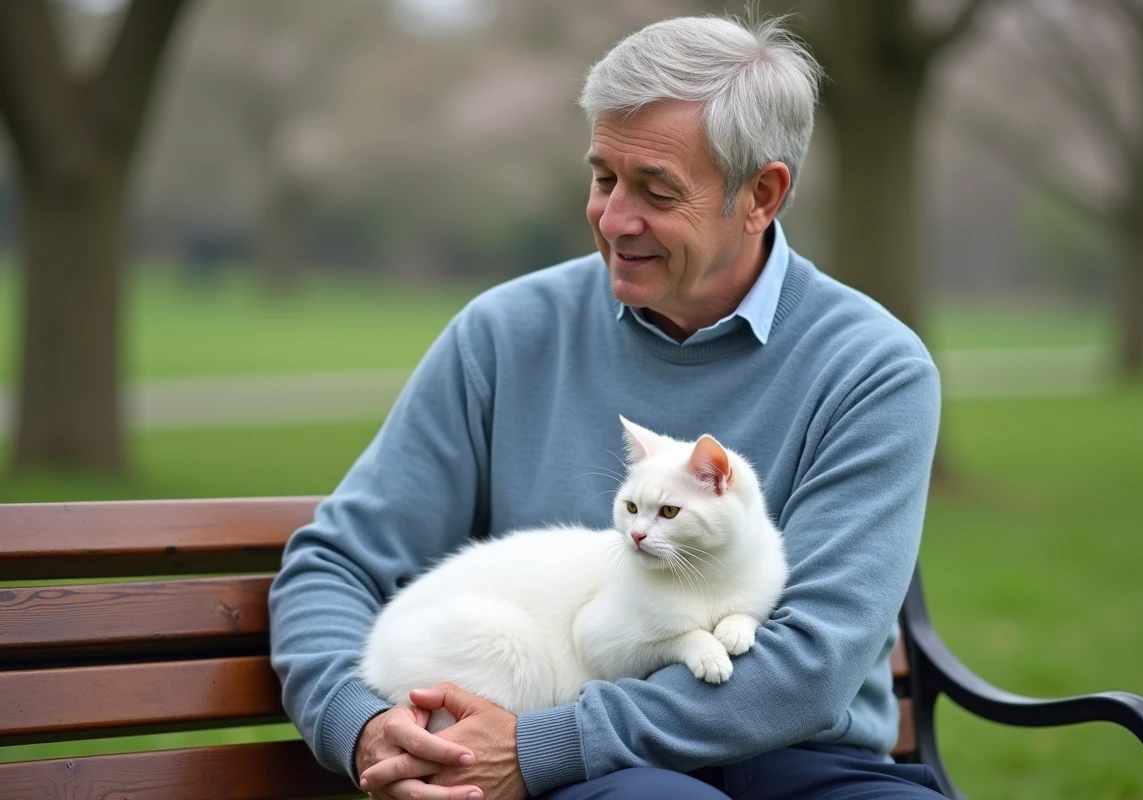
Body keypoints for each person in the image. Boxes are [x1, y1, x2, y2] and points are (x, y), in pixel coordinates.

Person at [269, 13, 943, 800]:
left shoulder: (874, 368)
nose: (614, 218)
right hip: (561, 759)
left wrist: (545, 745)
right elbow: (336, 563)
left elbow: (811, 666)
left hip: (798, 763)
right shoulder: (504, 333)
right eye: (602, 178)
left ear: (761, 193)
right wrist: (359, 724)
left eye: (656, 190)